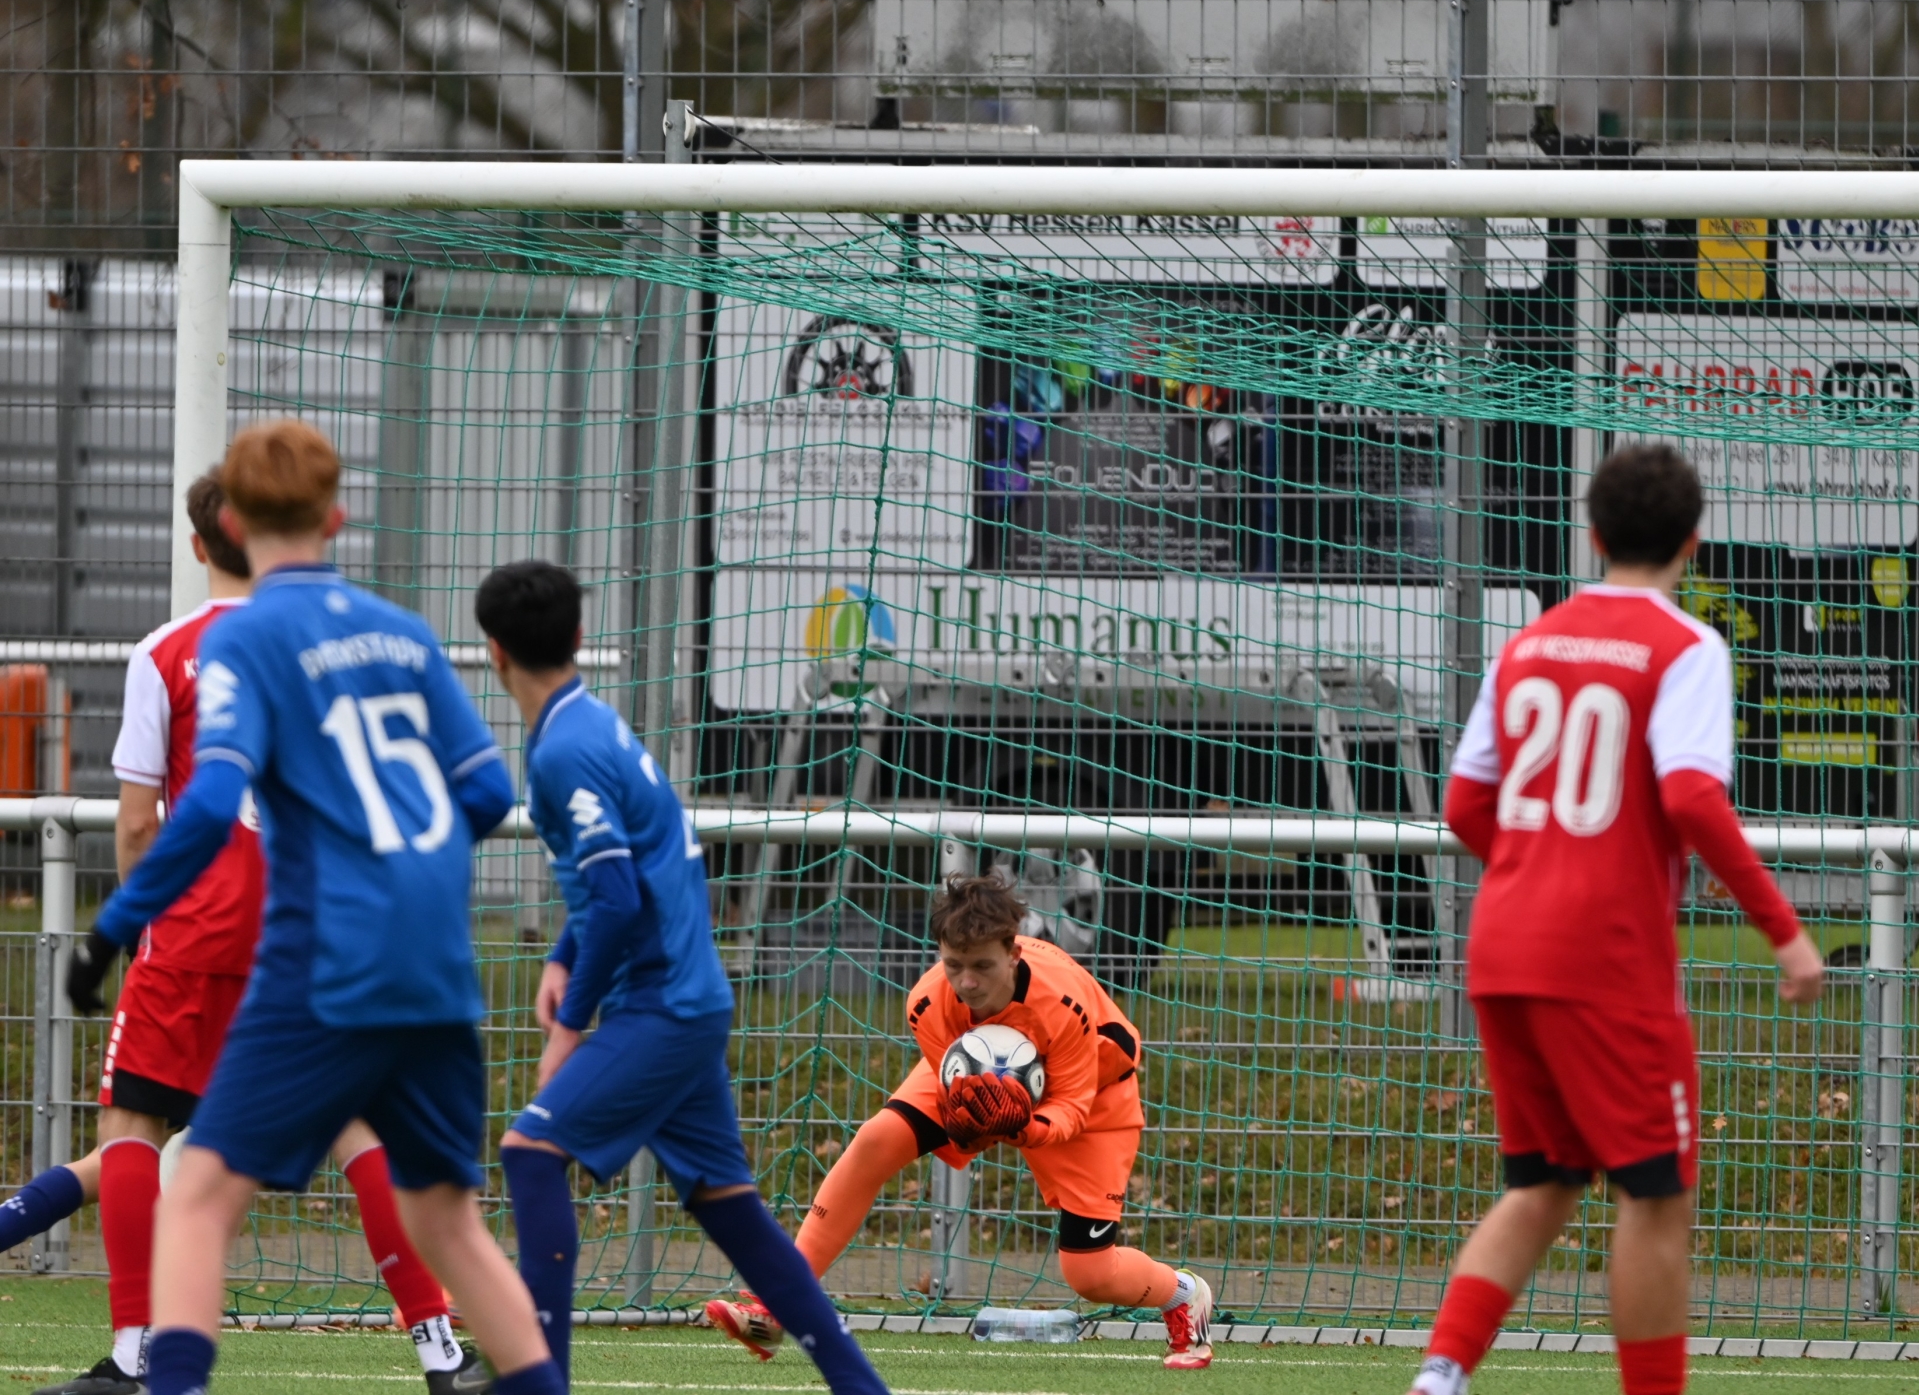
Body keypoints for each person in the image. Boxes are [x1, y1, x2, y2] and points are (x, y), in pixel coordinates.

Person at [70, 419, 564, 1395]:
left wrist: (113, 927)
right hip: (433, 958)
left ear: (232, 525)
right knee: (449, 1220)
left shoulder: (242, 637)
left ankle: (155, 1374)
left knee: (199, 1194)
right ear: (336, 518)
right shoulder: (402, 631)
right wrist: (409, 861)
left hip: (323, 955)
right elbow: (485, 791)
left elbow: (206, 805)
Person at [5, 472, 479, 1395]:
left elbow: (138, 823)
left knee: (133, 1123)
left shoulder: (167, 651)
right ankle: (439, 1349)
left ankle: (136, 1357)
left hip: (195, 928)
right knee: (359, 1125)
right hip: (314, 926)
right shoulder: (335, 642)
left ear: (200, 542)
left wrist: (133, 925)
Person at [1412, 444, 1825, 1395]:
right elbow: (1691, 795)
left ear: (1593, 536)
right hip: (1603, 956)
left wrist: (1541, 866)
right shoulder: (1687, 647)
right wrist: (1785, 929)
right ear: (1693, 542)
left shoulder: (1530, 642)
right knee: (1655, 1194)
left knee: (1545, 1179)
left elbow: (1465, 803)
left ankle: (1439, 1377)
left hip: (1502, 941)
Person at [474, 560, 888, 1395]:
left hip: (660, 1004)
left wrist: (569, 1025)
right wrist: (563, 956)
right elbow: (629, 871)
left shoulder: (563, 749)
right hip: (689, 998)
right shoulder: (594, 723)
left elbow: (618, 895)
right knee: (728, 1205)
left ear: (493, 652)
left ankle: (535, 1379)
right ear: (580, 637)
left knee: (529, 1152)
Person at [707, 874, 1214, 1371]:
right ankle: (779, 1304)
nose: (967, 982)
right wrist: (973, 1125)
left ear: (1014, 952)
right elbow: (956, 1103)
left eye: (982, 966)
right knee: (878, 1139)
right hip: (976, 1073)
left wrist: (1022, 1128)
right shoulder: (927, 1004)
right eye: (953, 965)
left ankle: (1184, 1295)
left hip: (1095, 1097)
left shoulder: (1064, 1005)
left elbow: (1071, 1109)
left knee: (1090, 1273)